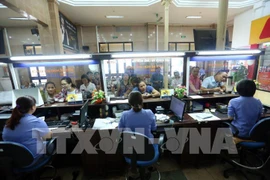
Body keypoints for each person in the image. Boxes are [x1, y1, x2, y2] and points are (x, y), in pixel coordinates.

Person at [2, 96, 52, 160]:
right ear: (33, 107)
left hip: (13, 160)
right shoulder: (36, 121)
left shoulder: (9, 122)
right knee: (58, 139)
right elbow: (47, 137)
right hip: (30, 159)